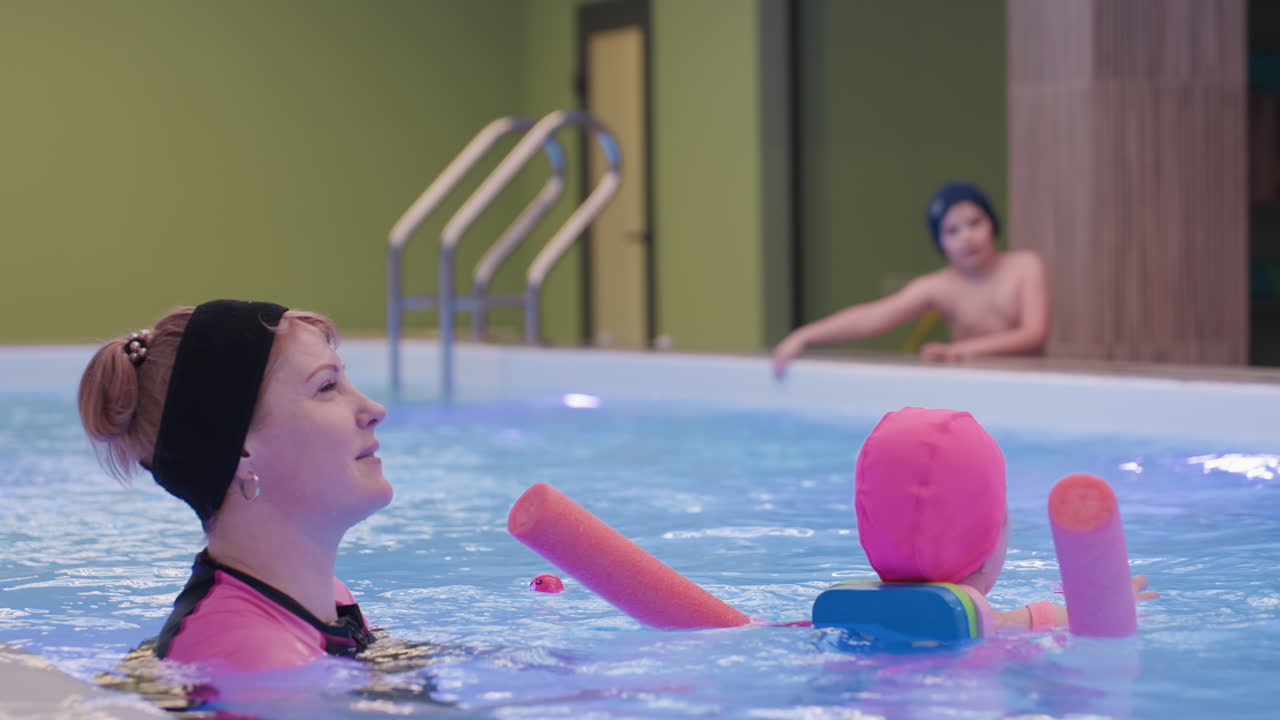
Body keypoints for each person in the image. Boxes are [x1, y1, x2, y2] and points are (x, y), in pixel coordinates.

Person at [78, 300, 391, 672]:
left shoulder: (323, 601)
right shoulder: (251, 657)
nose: (374, 409)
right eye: (326, 386)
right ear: (240, 449)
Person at [855, 407, 1157, 632]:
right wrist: (1115, 603)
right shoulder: (998, 626)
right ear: (989, 532)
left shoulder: (843, 613)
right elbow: (1099, 622)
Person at [772, 182, 1050, 379]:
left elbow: (1033, 333)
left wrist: (959, 350)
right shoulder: (940, 287)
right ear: (941, 244)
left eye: (975, 223)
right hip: (973, 384)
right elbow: (873, 316)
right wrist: (805, 335)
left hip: (1028, 382)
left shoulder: (1025, 267)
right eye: (952, 231)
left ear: (992, 224)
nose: (966, 236)